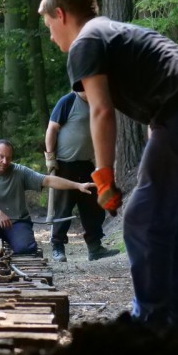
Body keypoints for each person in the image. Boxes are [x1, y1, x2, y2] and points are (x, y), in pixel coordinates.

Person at [39, 0, 178, 335]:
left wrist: (103, 175)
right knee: (169, 224)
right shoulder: (112, 31)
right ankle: (176, 324)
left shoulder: (86, 41)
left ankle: (150, 323)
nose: (52, 37)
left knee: (142, 219)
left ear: (61, 15)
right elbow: (154, 85)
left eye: (50, 26)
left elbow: (101, 111)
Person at [0, 139, 95, 257]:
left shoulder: (19, 172)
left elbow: (48, 180)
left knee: (26, 249)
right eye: (1, 157)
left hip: (16, 223)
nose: (5, 161)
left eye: (8, 158)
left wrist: (78, 185)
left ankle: (18, 245)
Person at [45, 90, 119, 263]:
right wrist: (50, 156)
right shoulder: (68, 101)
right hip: (64, 164)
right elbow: (52, 128)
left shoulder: (96, 102)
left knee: (93, 206)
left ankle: (95, 247)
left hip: (87, 163)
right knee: (63, 207)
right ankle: (57, 246)